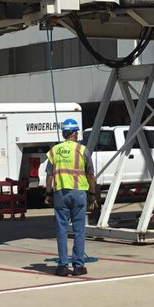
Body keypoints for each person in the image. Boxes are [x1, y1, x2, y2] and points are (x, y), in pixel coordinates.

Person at [45, 118, 95, 276]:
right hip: (79, 193)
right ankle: (79, 266)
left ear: (64, 133)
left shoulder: (55, 150)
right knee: (79, 230)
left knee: (62, 231)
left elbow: (49, 175)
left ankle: (62, 266)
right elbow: (90, 175)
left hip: (60, 193)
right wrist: (93, 195)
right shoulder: (82, 150)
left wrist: (47, 193)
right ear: (75, 133)